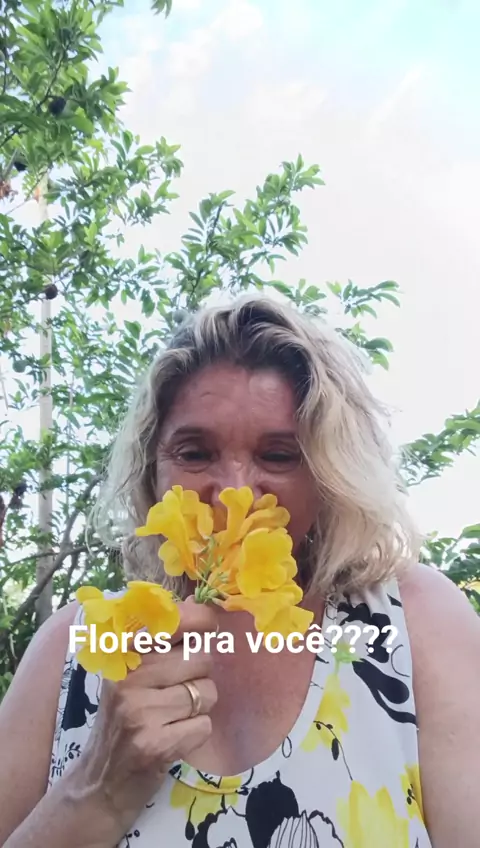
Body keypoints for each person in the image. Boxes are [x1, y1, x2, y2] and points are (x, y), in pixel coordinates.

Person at [0, 295, 478, 848]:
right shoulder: (75, 646)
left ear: (329, 478)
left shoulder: (416, 626)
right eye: (195, 452)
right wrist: (98, 788)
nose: (234, 494)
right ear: (152, 472)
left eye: (278, 456)